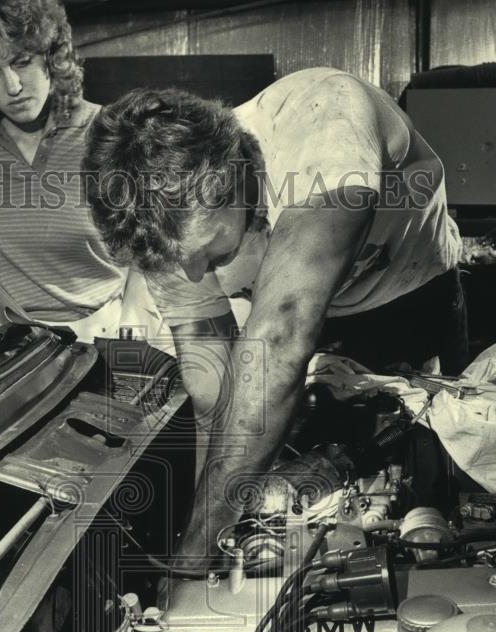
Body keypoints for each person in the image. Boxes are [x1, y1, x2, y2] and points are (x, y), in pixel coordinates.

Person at [83, 67, 467, 565]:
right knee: (304, 499)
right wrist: (205, 527)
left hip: (409, 300)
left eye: (206, 254)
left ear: (226, 181)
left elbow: (282, 334)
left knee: (425, 506)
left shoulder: (326, 121)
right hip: (297, 327)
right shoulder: (168, 231)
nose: (195, 276)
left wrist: (195, 558)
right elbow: (214, 390)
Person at [0, 0, 127, 333]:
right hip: (6, 340)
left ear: (51, 56)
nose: (13, 86)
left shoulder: (107, 133)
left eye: (23, 62)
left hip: (100, 332)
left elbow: (162, 252)